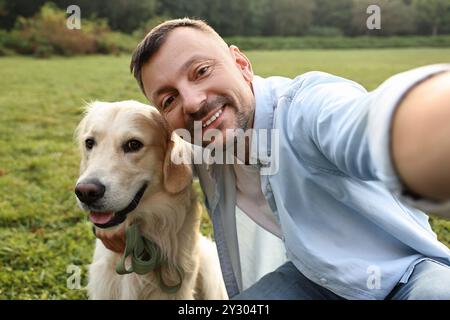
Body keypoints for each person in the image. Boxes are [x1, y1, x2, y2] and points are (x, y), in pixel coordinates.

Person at [96, 18, 450, 299]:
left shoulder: (306, 108)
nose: (191, 101)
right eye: (168, 99)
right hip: (312, 280)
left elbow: (365, 124)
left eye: (201, 71)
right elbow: (141, 167)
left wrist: (419, 129)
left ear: (241, 63)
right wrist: (112, 217)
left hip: (408, 274)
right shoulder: (200, 142)